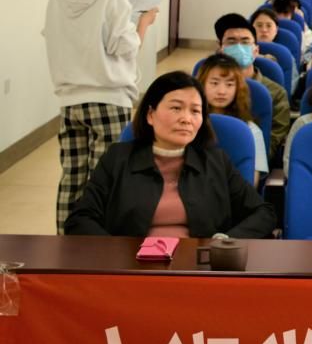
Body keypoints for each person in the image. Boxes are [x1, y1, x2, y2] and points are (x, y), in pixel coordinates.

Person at [44, 0, 159, 233]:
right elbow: (124, 47)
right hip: (108, 99)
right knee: (104, 177)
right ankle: (97, 244)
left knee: (71, 177)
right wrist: (143, 23)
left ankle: (66, 240)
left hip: (69, 100)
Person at [65, 72, 276, 238]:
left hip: (200, 268)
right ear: (150, 115)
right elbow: (80, 218)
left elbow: (263, 213)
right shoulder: (117, 158)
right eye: (176, 108)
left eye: (195, 111)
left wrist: (225, 242)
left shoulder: (215, 162)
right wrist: (115, 253)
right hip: (131, 267)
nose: (186, 119)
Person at [214, 14, 290, 159]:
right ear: (221, 49)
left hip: (251, 161)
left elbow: (272, 142)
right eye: (231, 42)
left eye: (245, 42)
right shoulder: (206, 88)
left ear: (256, 51)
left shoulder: (275, 93)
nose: (239, 47)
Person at [196, 52, 270, 185]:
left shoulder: (250, 130)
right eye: (214, 83)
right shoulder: (189, 123)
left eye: (229, 85)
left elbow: (252, 182)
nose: (221, 91)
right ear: (202, 84)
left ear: (238, 89)